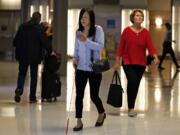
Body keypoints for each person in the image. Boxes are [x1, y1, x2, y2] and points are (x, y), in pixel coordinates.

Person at [114, 9, 159, 117]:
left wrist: (155, 56)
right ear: (133, 18)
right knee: (133, 81)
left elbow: (150, 46)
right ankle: (131, 108)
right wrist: (117, 61)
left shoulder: (145, 33)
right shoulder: (126, 31)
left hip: (141, 63)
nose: (139, 17)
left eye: (141, 16)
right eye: (137, 15)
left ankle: (131, 106)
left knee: (135, 85)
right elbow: (121, 47)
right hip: (127, 61)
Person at [73, 8, 106, 131]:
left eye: (86, 17)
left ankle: (101, 113)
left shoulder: (98, 30)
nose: (83, 19)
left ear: (91, 19)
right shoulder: (78, 32)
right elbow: (76, 49)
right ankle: (79, 121)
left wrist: (86, 41)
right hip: (81, 69)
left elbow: (100, 47)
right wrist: (75, 59)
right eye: (82, 17)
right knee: (79, 95)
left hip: (94, 68)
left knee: (94, 96)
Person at [13, 12, 53, 103]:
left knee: (22, 74)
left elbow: (15, 41)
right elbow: (45, 42)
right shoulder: (39, 29)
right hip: (34, 57)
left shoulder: (22, 27)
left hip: (23, 56)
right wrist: (51, 50)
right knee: (34, 77)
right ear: (39, 19)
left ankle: (19, 90)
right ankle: (32, 97)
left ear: (31, 17)